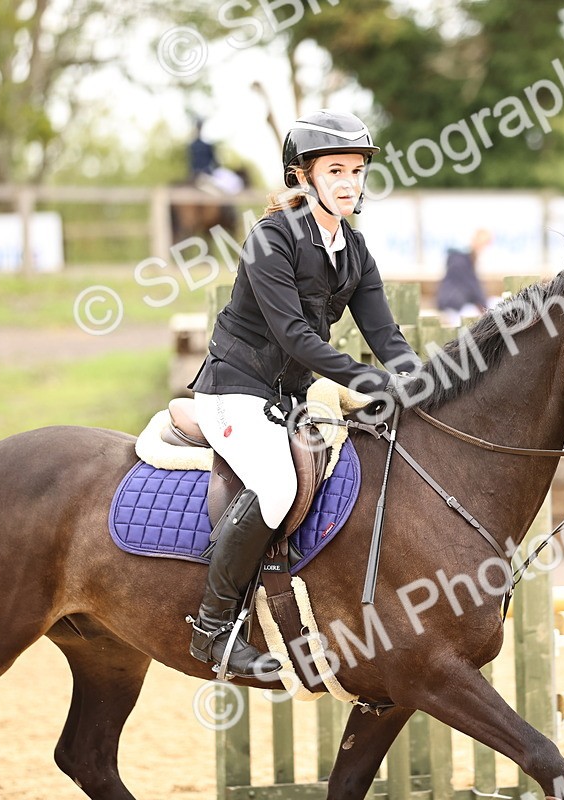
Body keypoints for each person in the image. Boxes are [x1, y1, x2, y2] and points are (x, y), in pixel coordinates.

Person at [185, 109, 423, 678]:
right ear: (303, 176)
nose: (349, 182)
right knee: (275, 483)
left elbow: (386, 336)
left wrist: (423, 382)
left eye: (357, 170)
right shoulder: (271, 239)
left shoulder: (355, 251)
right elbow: (295, 336)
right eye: (335, 170)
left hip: (285, 399)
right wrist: (370, 382)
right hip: (234, 391)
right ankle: (212, 628)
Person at [436, 229, 492, 325]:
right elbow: (472, 287)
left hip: (456, 306)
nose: (483, 248)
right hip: (454, 308)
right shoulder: (461, 260)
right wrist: (485, 307)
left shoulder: (464, 259)